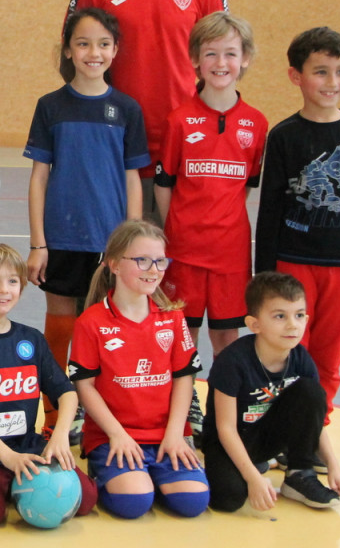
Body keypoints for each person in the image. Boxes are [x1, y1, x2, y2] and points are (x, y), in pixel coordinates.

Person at [67, 0, 227, 223]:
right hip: (115, 148)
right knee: (117, 252)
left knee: (175, 253)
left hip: (183, 150)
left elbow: (222, 68)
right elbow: (71, 61)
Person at [255, 26, 340, 423]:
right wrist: (264, 275)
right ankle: (281, 427)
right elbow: (270, 210)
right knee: (288, 350)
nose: (333, 82)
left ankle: (314, 427)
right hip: (292, 263)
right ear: (295, 76)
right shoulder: (284, 136)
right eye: (321, 72)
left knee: (329, 357)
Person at [25, 7, 149, 429]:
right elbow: (39, 178)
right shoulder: (51, 106)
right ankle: (56, 413)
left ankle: (102, 412)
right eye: (83, 43)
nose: (93, 53)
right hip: (61, 238)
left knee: (106, 330)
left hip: (109, 243)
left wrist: (131, 243)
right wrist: (38, 243)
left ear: (115, 50)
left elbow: (133, 179)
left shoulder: (127, 109)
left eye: (103, 44)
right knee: (60, 329)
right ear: (68, 50)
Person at [0, 243, 97, 526]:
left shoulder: (31, 339)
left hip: (27, 445)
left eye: (12, 281)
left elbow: (67, 393)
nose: (4, 289)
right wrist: (7, 457)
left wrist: (59, 437)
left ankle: (14, 484)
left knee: (84, 499)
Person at [68, 220, 209, 519]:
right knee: (133, 503)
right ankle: (111, 472)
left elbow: (184, 379)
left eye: (160, 261)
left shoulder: (173, 318)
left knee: (193, 502)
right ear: (114, 265)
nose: (153, 269)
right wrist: (117, 435)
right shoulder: (91, 322)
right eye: (142, 260)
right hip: (114, 435)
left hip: (165, 434)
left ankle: (151, 474)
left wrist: (176, 435)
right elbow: (85, 387)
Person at [154, 12, 267, 358]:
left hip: (230, 253)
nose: (220, 63)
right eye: (211, 53)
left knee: (226, 337)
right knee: (182, 335)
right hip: (184, 251)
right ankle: (185, 393)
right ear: (195, 59)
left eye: (230, 53)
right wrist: (177, 229)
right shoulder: (179, 120)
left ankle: (223, 393)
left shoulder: (256, 123)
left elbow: (246, 185)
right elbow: (164, 184)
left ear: (245, 58)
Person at [201, 272, 340, 511]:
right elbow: (225, 428)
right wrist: (252, 478)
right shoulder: (233, 362)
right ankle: (253, 466)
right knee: (227, 500)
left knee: (311, 392)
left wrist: (334, 464)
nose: (292, 325)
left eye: (299, 315)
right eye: (280, 316)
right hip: (229, 439)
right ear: (254, 324)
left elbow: (314, 417)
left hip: (267, 437)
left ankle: (299, 473)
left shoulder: (301, 358)